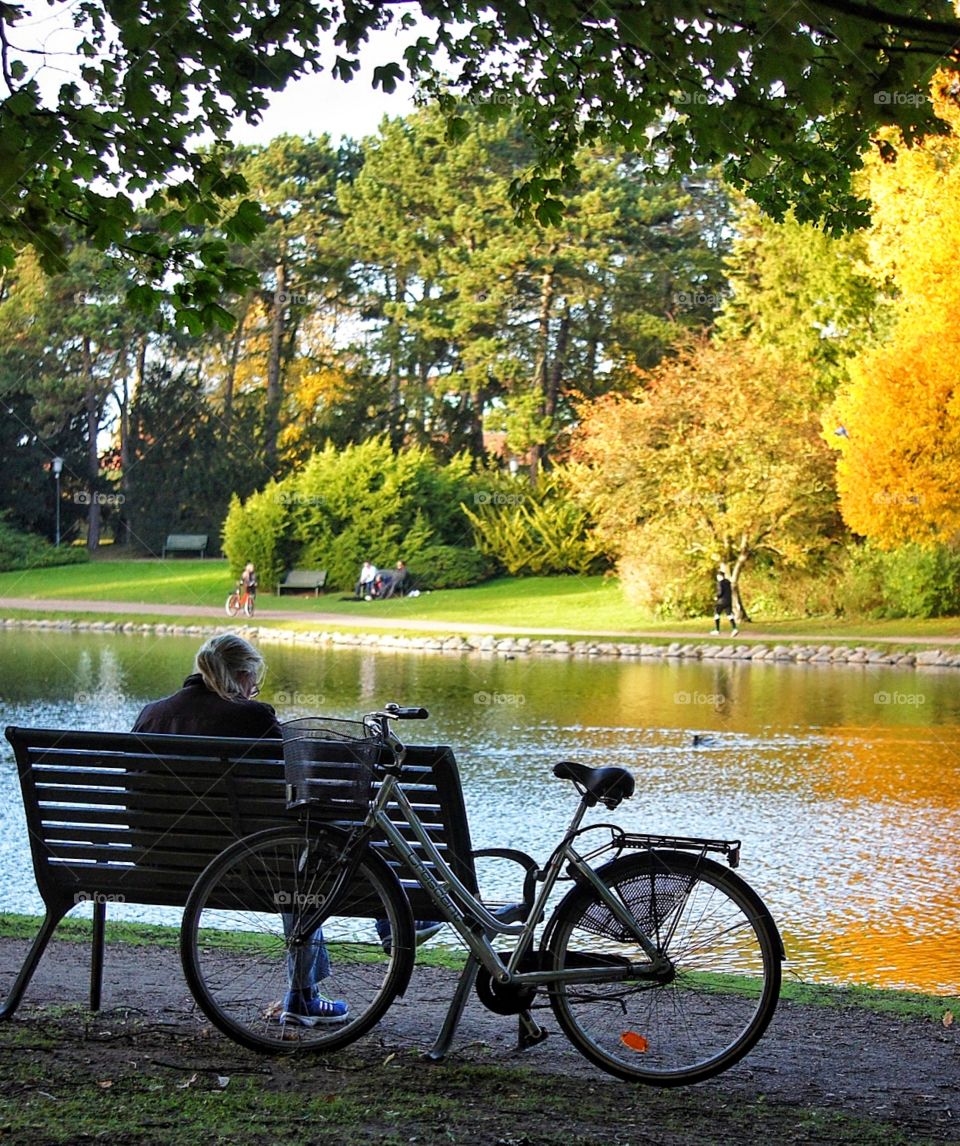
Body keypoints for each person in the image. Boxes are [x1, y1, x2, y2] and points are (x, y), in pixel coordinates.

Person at [131, 633, 349, 1026]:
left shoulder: (152, 715)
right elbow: (297, 785)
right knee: (301, 862)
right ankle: (302, 995)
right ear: (242, 675)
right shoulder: (252, 717)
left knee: (290, 860)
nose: (255, 690)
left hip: (161, 864)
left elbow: (134, 792)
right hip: (247, 870)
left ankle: (305, 995)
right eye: (254, 682)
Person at [710, 570, 739, 637]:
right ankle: (734, 628)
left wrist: (716, 596)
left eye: (717, 576)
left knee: (716, 613)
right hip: (728, 601)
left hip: (721, 602)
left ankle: (717, 630)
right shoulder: (728, 582)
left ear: (720, 576)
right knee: (729, 614)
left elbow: (720, 592)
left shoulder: (720, 583)